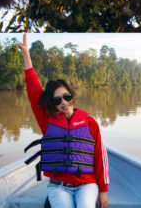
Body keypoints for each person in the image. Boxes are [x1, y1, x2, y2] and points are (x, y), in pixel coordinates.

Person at [18, 34, 109, 208]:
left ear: (72, 96)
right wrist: (26, 56)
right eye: (57, 100)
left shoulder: (90, 122)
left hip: (86, 185)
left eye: (66, 97)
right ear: (52, 103)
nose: (63, 102)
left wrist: (103, 191)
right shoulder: (47, 120)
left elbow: (100, 157)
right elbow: (33, 91)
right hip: (58, 187)